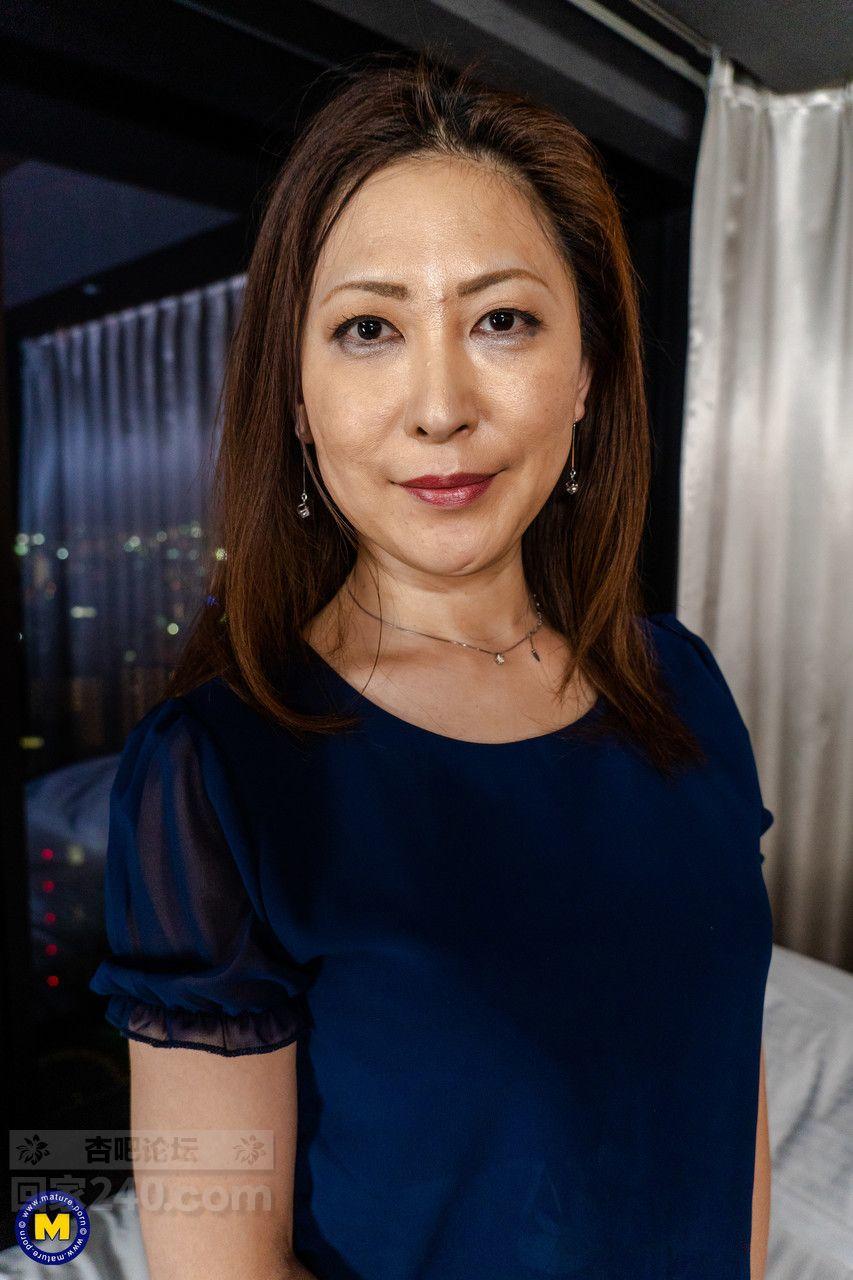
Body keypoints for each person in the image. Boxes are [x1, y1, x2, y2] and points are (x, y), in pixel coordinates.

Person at [89, 47, 774, 1280]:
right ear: (297, 397)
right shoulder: (215, 774)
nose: (440, 404)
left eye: (501, 319)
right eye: (369, 328)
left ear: (586, 372)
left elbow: (731, 1098)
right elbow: (219, 1263)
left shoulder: (681, 684)